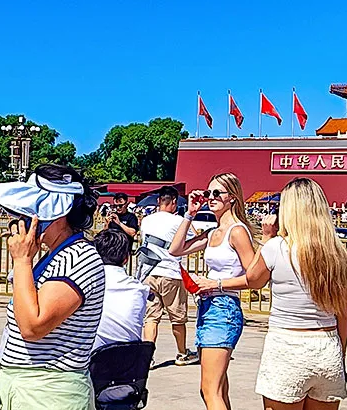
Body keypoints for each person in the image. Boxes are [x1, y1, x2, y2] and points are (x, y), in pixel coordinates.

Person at [196, 178, 347, 409]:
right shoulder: (340, 255)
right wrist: (341, 358)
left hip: (288, 345)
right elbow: (343, 316)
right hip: (327, 345)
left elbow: (253, 280)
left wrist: (268, 236)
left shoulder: (277, 248)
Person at [0, 164, 104, 410]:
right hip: (29, 389)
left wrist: (22, 260)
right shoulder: (57, 255)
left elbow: (33, 326)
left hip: (47, 392)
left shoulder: (78, 258)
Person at [169, 173, 257, 410]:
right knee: (219, 389)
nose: (211, 197)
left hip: (223, 308)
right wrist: (190, 214)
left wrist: (215, 284)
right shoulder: (212, 233)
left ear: (233, 198)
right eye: (208, 193)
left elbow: (254, 277)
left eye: (217, 193)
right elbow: (175, 249)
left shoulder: (237, 232)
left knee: (209, 390)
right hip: (208, 307)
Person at [138, 186, 198, 367]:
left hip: (149, 273)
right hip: (170, 272)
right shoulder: (178, 221)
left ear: (158, 201)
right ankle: (182, 353)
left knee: (151, 317)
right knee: (177, 317)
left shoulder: (146, 220)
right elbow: (192, 237)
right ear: (173, 202)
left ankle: (148, 357)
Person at [92, 229, 148, 351]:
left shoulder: (89, 284)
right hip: (130, 361)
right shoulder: (139, 289)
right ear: (126, 258)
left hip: (92, 360)